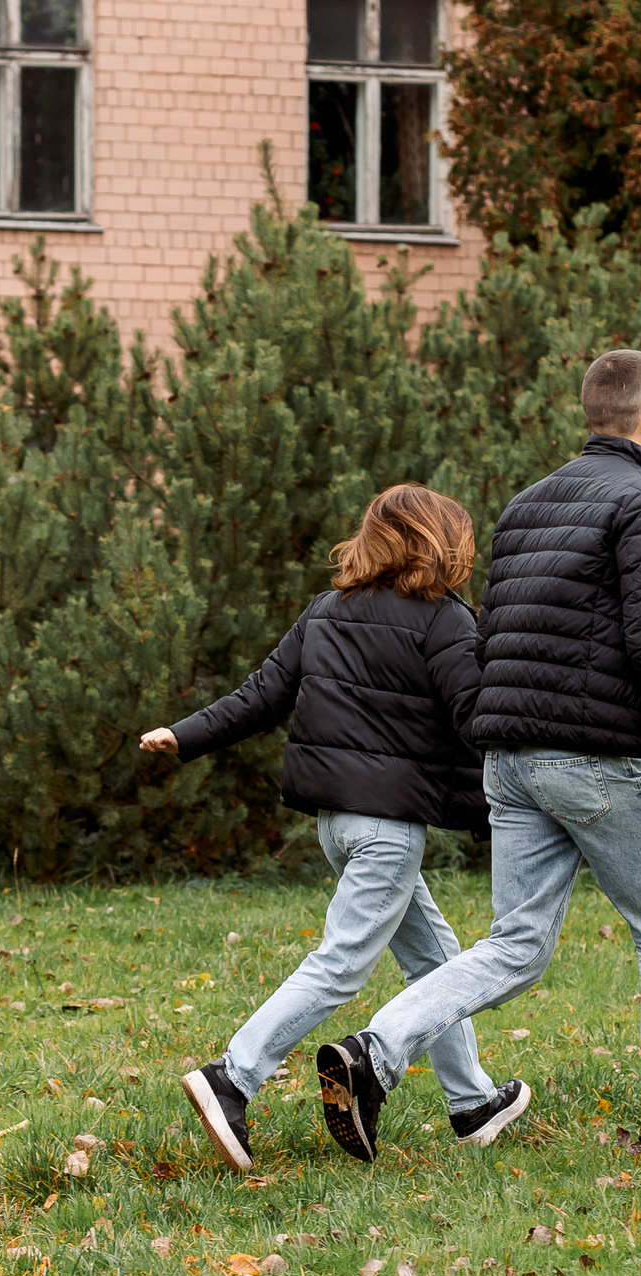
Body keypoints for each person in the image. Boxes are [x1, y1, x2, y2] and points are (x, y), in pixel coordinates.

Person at [313, 350, 641, 1162]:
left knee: (515, 944)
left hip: (509, 757)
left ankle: (377, 1046)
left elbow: (495, 634)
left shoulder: (528, 502)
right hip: (589, 760)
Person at [141, 483, 532, 1171]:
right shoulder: (442, 621)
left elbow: (261, 694)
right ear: (443, 545)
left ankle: (471, 1101)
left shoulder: (327, 611)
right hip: (387, 828)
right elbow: (478, 720)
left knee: (435, 960)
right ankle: (234, 1075)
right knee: (341, 965)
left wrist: (184, 732)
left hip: (337, 825)